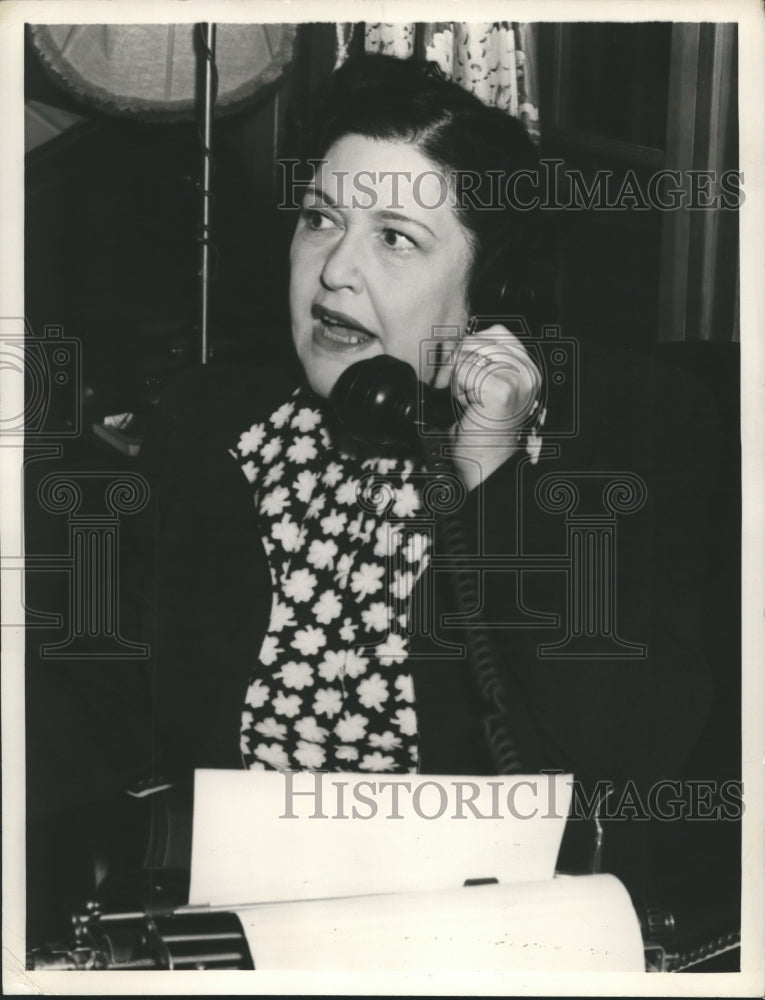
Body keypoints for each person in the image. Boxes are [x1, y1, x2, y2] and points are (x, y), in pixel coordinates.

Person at [29, 54, 725, 940]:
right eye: (321, 219)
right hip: (238, 935)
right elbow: (91, 724)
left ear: (489, 297)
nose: (333, 272)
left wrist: (490, 476)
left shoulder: (618, 444)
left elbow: (632, 764)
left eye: (394, 237)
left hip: (493, 944)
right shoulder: (209, 427)